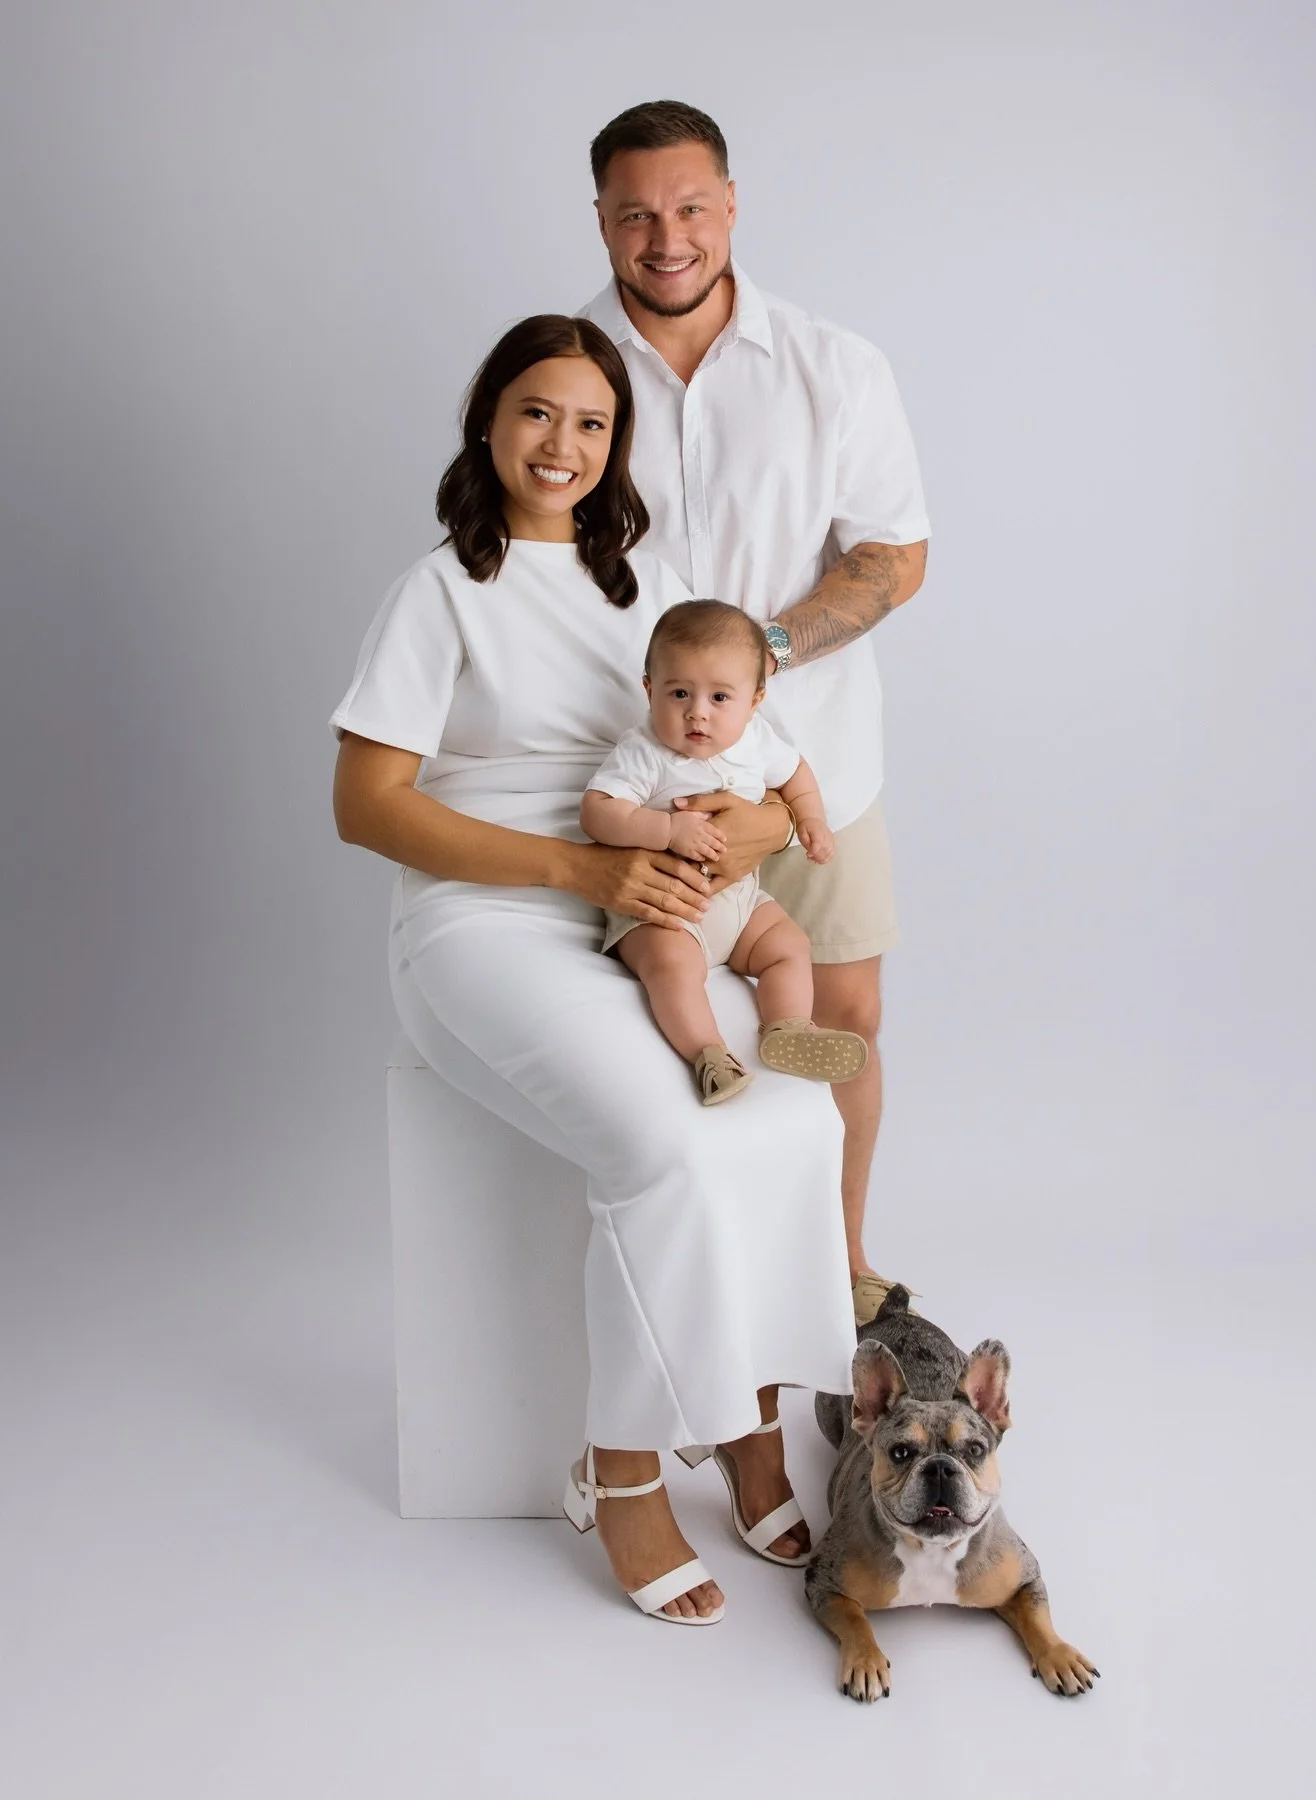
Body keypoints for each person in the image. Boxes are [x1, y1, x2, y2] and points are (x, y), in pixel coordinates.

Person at [329, 314, 855, 1624]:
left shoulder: (648, 581)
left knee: (800, 1106)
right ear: (487, 422)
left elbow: (735, 753)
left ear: (616, 446)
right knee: (667, 1148)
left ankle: (746, 1418)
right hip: (486, 921)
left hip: (661, 905)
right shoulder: (440, 588)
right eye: (534, 413)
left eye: (592, 422)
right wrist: (585, 873)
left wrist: (733, 835)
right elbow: (362, 804)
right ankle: (619, 1473)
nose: (561, 445)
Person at [580, 100, 931, 1323]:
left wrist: (761, 662)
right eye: (635, 214)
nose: (664, 237)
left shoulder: (836, 367)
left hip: (810, 758)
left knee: (843, 1014)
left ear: (731, 205)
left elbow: (895, 554)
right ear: (603, 223)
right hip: (627, 770)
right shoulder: (562, 371)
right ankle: (701, 1282)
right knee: (660, 1012)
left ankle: (835, 1264)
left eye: (688, 208)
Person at [581, 599, 869, 1105]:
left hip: (739, 903)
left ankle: (787, 1029)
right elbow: (598, 812)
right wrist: (666, 830)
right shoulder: (644, 752)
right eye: (678, 693)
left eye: (719, 697)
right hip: (665, 912)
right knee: (671, 970)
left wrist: (811, 820)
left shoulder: (757, 741)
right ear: (649, 690)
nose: (697, 711)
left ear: (754, 699)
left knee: (789, 946)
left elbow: (796, 774)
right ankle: (709, 1056)